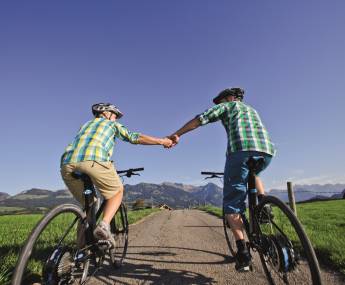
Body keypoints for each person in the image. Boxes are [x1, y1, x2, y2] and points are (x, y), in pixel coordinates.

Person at [168, 87, 276, 271]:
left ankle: (243, 253)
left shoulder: (228, 106)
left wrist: (177, 134)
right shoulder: (252, 109)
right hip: (266, 151)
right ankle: (263, 202)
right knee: (254, 173)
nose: (219, 104)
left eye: (221, 101)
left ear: (230, 98)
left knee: (232, 205)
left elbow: (201, 119)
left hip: (240, 151)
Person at [61, 103, 173, 248]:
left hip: (67, 164)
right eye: (115, 115)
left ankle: (81, 250)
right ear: (106, 114)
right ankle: (104, 226)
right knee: (117, 191)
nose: (116, 119)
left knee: (90, 206)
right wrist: (162, 141)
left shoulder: (86, 125)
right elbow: (134, 137)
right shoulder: (111, 125)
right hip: (95, 160)